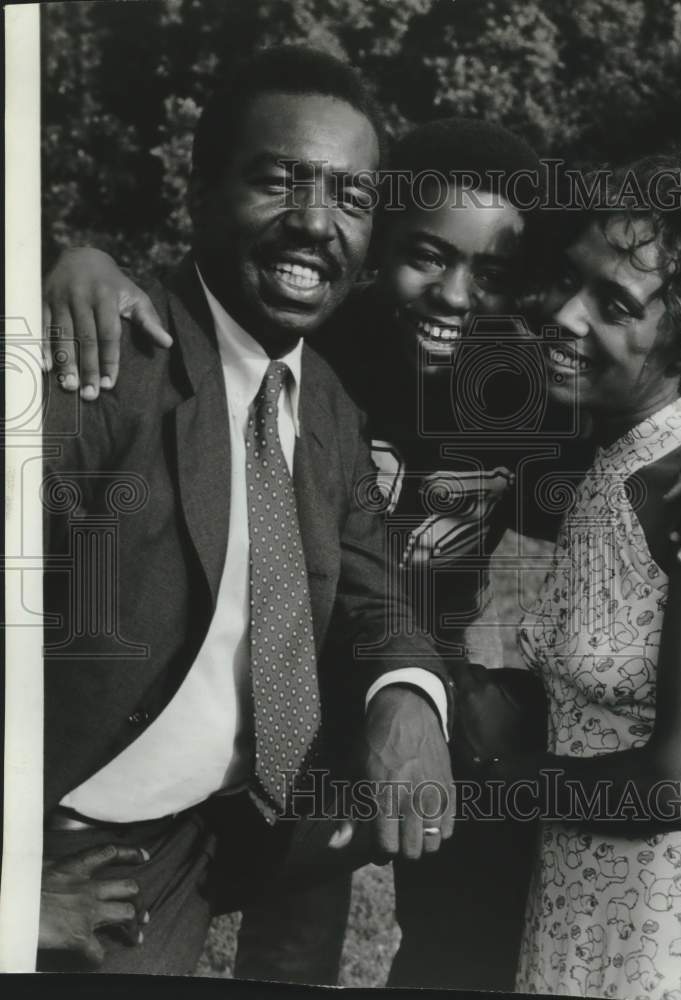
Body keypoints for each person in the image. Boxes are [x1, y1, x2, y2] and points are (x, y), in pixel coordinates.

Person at [43, 121, 681, 989]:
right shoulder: (311, 348)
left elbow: (663, 405)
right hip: (291, 712)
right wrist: (82, 260)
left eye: (494, 274)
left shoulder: (528, 383)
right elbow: (199, 308)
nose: (456, 295)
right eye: (427, 255)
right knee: (289, 952)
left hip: (434, 707)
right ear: (377, 243)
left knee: (461, 947)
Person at [38, 46, 457, 977]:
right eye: (279, 181)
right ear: (197, 192)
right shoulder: (103, 366)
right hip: (64, 846)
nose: (316, 223)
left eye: (350, 198)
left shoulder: (329, 407)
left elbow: (375, 593)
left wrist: (406, 700)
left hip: (199, 841)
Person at [465, 149, 681, 997]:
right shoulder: (609, 460)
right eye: (572, 280)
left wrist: (488, 778)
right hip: (584, 923)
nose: (565, 316)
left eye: (615, 306)